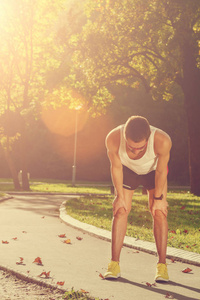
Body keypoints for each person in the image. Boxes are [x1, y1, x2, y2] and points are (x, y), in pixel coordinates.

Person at [104, 116, 172, 282]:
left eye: (140, 148)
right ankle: (114, 264)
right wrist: (119, 196)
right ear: (124, 136)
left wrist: (159, 198)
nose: (135, 151)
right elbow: (116, 167)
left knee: (159, 212)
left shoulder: (162, 140)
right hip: (127, 171)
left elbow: (162, 172)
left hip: (153, 172)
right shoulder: (113, 138)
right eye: (130, 147)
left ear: (148, 138)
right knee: (120, 210)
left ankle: (162, 266)